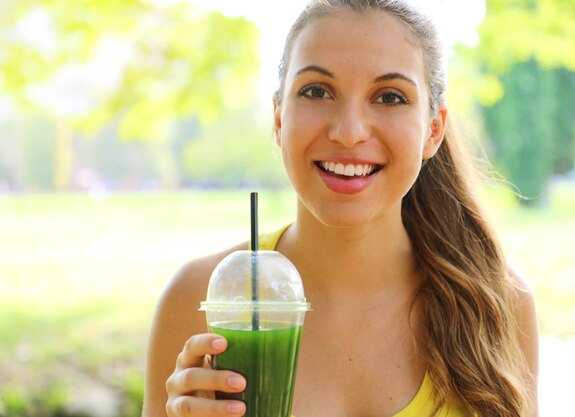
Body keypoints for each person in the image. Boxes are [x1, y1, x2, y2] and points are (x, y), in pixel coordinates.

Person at [142, 0, 539, 416]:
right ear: (279, 118)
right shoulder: (199, 298)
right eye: (316, 91)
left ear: (433, 130)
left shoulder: (499, 303)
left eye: (389, 97)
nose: (349, 132)